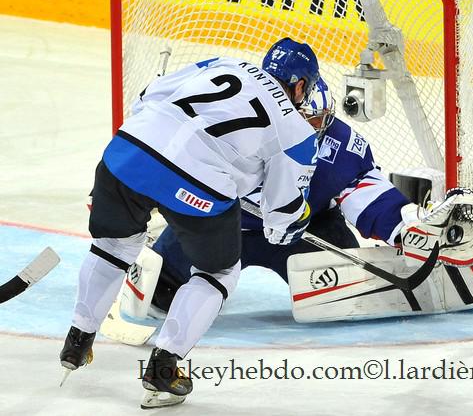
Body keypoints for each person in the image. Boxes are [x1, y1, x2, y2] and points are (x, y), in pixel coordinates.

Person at [59, 38, 321, 408]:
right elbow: (281, 220)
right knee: (219, 272)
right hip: (198, 185)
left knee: (114, 245)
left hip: (128, 149)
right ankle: (163, 369)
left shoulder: (223, 63)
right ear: (300, 85)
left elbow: (146, 97)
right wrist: (298, 218)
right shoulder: (296, 130)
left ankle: (78, 340)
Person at [146, 77, 413, 312]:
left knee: (351, 296)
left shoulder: (338, 144)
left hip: (305, 231)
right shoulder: (233, 129)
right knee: (160, 291)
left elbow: (365, 192)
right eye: (307, 121)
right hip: (224, 226)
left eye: (319, 120)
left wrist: (403, 228)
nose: (315, 128)